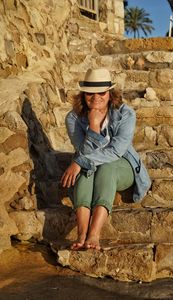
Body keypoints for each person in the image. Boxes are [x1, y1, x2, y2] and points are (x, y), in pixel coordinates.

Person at [61, 68, 151, 250]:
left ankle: (94, 235)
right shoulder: (73, 118)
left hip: (123, 165)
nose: (96, 98)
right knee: (86, 170)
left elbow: (116, 151)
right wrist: (93, 127)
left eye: (101, 92)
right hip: (91, 166)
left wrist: (78, 162)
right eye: (90, 94)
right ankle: (81, 234)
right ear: (83, 94)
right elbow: (83, 151)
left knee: (105, 167)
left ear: (110, 93)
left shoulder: (125, 114)